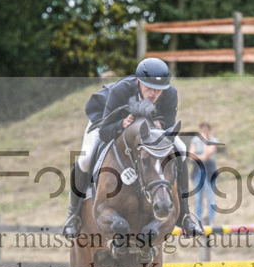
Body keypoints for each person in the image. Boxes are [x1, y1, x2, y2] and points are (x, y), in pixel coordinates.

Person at [61, 57, 205, 238]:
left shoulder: (170, 94)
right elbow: (105, 131)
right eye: (149, 88)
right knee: (86, 158)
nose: (154, 93)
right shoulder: (121, 90)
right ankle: (73, 214)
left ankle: (185, 215)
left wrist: (160, 125)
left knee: (181, 150)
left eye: (158, 89)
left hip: (147, 132)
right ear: (138, 82)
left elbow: (168, 124)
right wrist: (120, 124)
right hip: (105, 121)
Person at [188, 122, 219, 225]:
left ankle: (211, 221)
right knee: (198, 198)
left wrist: (205, 141)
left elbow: (207, 155)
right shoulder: (195, 140)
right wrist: (200, 157)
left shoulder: (214, 140)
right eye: (202, 130)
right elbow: (191, 156)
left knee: (211, 198)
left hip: (209, 171)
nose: (203, 132)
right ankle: (198, 222)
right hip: (198, 171)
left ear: (210, 130)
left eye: (206, 130)